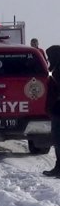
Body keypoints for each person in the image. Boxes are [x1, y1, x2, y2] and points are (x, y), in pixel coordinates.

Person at [42, 45, 60, 176]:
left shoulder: (57, 70)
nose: (48, 59)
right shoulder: (54, 69)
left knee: (58, 141)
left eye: (50, 56)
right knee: (57, 141)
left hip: (58, 110)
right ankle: (58, 167)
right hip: (55, 110)